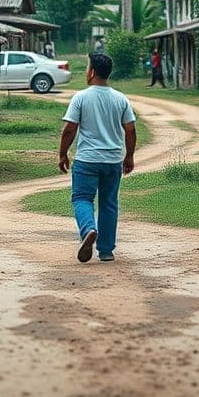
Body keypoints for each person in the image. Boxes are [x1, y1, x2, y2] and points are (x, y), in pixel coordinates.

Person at [58, 52, 137, 263]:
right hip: (112, 161)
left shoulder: (81, 98)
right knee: (109, 203)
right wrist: (128, 156)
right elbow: (130, 130)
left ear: (92, 72)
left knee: (82, 198)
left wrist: (62, 154)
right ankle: (106, 251)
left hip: (87, 160)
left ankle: (88, 230)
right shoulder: (120, 99)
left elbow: (69, 129)